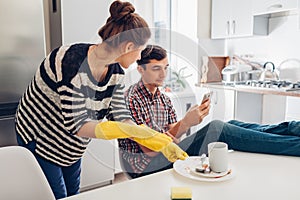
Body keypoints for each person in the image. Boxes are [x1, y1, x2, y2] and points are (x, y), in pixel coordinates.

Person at [15, 2, 187, 199]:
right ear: (128, 46)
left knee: (74, 194)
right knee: (58, 196)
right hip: (40, 138)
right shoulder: (69, 62)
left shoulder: (116, 73)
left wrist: (153, 138)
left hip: (72, 146)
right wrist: (130, 131)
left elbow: (121, 116)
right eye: (140, 51)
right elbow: (78, 125)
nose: (140, 57)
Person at [118, 44, 300, 179]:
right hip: (145, 166)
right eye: (156, 68)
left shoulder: (162, 98)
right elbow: (150, 149)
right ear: (140, 69)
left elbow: (172, 134)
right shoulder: (131, 99)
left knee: (231, 125)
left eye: (166, 68)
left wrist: (191, 119)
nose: (163, 75)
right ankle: (295, 145)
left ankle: (293, 128)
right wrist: (186, 123)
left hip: (167, 152)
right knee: (217, 129)